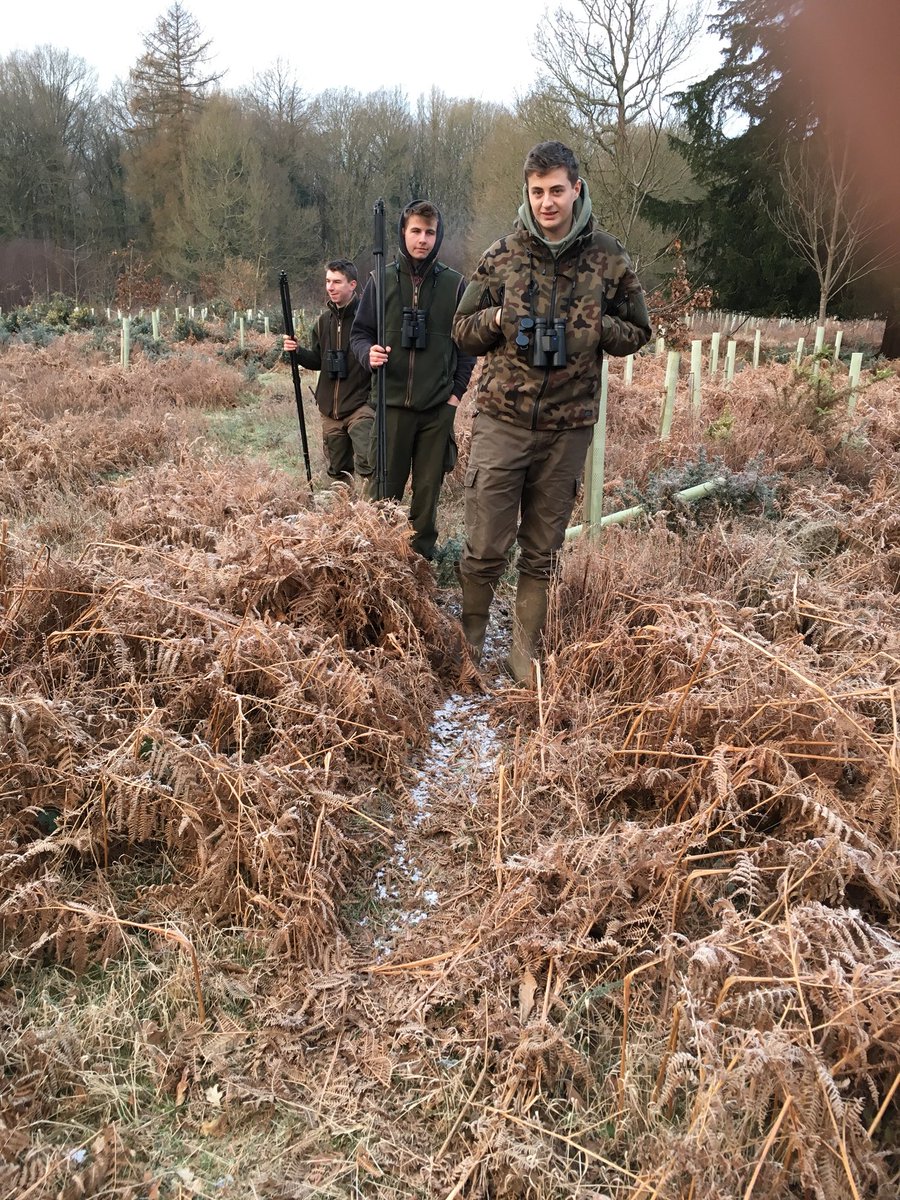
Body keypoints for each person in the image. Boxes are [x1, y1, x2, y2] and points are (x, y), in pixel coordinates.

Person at [452, 140, 652, 683]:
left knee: (542, 549)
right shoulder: (503, 254)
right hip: (501, 420)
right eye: (537, 191)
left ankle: (523, 654)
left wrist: (593, 331)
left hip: (568, 428)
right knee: (485, 544)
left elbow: (639, 330)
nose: (546, 201)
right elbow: (461, 330)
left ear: (576, 189)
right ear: (528, 191)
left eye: (556, 190)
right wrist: (497, 320)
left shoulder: (607, 256)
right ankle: (469, 647)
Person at [350, 200, 476, 560]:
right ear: (403, 233)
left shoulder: (455, 286)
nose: (422, 240)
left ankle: (420, 564)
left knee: (426, 496)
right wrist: (367, 353)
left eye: (430, 232)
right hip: (390, 408)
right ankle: (378, 560)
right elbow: (359, 334)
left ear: (438, 237)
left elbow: (466, 347)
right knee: (382, 494)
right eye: (416, 231)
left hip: (436, 410)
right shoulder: (380, 279)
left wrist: (454, 398)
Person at [283, 259, 373, 483]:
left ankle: (374, 513)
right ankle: (341, 514)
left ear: (352, 284)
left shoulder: (369, 319)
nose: (330, 287)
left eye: (337, 282)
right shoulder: (323, 322)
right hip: (329, 411)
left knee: (370, 464)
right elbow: (317, 361)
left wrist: (372, 400)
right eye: (328, 282)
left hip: (361, 405)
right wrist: (297, 351)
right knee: (338, 471)